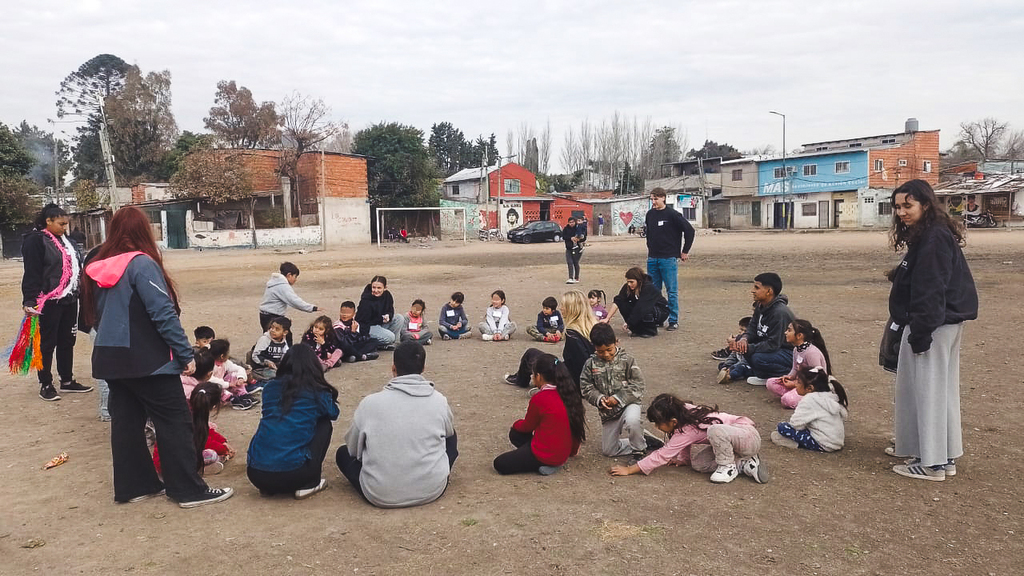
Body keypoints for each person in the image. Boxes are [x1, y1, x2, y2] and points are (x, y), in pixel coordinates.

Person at [81, 205, 231, 508]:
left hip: (110, 358)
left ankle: (135, 486)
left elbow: (90, 316)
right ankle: (187, 490)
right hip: (148, 360)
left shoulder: (95, 265)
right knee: (175, 421)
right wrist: (184, 353)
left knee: (125, 423)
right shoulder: (142, 264)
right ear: (143, 231)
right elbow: (163, 314)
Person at [887, 179, 977, 481]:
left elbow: (931, 288)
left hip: (934, 324)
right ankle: (943, 455)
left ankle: (933, 463)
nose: (901, 212)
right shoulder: (930, 236)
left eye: (907, 205)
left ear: (925, 204)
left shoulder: (934, 238)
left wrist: (921, 333)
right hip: (942, 322)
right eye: (897, 206)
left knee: (929, 391)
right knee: (939, 391)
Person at [336, 341, 458, 508]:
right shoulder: (439, 401)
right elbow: (448, 438)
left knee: (342, 453)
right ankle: (431, 472)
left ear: (393, 368)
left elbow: (352, 450)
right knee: (450, 435)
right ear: (423, 369)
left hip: (380, 493)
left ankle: (389, 477)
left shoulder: (370, 404)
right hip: (431, 488)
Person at [610, 393, 769, 485]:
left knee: (715, 430)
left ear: (673, 421)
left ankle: (728, 467)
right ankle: (744, 463)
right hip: (733, 442)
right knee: (699, 465)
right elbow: (682, 440)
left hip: (748, 436)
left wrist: (630, 469)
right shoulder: (682, 414)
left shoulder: (686, 429)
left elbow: (662, 455)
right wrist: (684, 458)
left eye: (659, 424)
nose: (657, 428)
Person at [246, 344, 340, 500]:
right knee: (324, 424)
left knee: (273, 422)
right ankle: (311, 482)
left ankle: (269, 486)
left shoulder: (270, 388)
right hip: (294, 473)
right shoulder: (316, 390)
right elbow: (333, 413)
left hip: (256, 474)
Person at [20, 203, 92, 401]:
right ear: (48, 221)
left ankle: (67, 381)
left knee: (67, 340)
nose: (64, 228)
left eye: (66, 224)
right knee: (46, 344)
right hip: (48, 301)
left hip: (69, 299)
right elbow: (32, 273)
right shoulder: (36, 241)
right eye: (61, 224)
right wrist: (30, 299)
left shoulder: (66, 241)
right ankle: (46, 383)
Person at [493, 354, 586, 475]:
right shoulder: (569, 393)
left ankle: (547, 463)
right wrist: (572, 450)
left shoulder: (540, 398)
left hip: (545, 453)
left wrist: (516, 424)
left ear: (539, 376)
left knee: (500, 462)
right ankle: (550, 461)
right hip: (563, 452)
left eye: (533, 375)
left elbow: (527, 426)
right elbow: (575, 426)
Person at [580, 323, 653, 460]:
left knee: (632, 421)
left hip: (629, 404)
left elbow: (638, 384)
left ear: (616, 342)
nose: (606, 354)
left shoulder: (628, 360)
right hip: (609, 413)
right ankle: (645, 440)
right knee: (609, 451)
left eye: (609, 349)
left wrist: (618, 398)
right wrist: (599, 399)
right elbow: (585, 386)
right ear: (594, 347)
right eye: (601, 351)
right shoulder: (590, 364)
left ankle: (639, 451)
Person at [155, 370, 235, 478]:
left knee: (208, 451)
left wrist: (222, 441)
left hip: (165, 460)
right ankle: (198, 468)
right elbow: (204, 440)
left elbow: (206, 430)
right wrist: (223, 449)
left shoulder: (189, 412)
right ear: (213, 406)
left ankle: (199, 466)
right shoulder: (188, 419)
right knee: (211, 454)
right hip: (169, 465)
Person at [722, 273, 795, 385]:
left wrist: (748, 348)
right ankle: (751, 368)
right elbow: (752, 327)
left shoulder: (780, 313)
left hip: (787, 353)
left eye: (757, 287)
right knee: (741, 341)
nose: (752, 291)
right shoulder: (761, 306)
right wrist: (743, 340)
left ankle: (776, 376)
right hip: (771, 347)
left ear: (769, 291)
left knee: (758, 358)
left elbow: (773, 344)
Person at [644, 187, 695, 331]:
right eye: (652, 199)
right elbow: (649, 234)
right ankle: (658, 317)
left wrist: (684, 251)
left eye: (656, 199)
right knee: (654, 290)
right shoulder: (650, 214)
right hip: (653, 258)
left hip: (668, 258)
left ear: (663, 198)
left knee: (671, 290)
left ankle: (673, 320)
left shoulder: (673, 214)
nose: (653, 202)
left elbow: (690, 231)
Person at [772, 367, 848, 453]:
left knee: (782, 427)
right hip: (836, 442)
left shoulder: (810, 400)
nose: (795, 384)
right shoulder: (830, 395)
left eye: (799, 382)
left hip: (824, 443)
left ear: (809, 388)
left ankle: (797, 444)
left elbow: (795, 424)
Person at [764, 320, 832, 409]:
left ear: (799, 335)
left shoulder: (811, 353)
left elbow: (816, 378)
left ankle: (803, 398)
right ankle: (795, 395)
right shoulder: (796, 349)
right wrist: (789, 377)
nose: (785, 333)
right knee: (770, 382)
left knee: (787, 401)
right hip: (800, 384)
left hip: (811, 389)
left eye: (789, 330)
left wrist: (794, 384)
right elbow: (795, 369)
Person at [258, 262, 319, 346]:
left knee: (271, 337)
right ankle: (287, 356)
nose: (295, 280)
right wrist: (312, 308)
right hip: (272, 316)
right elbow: (294, 301)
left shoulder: (274, 282)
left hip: (265, 315)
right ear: (289, 275)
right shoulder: (282, 286)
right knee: (282, 336)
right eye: (295, 277)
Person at [604, 266, 669, 338]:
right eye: (628, 281)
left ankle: (650, 330)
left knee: (644, 308)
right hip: (643, 308)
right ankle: (636, 330)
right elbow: (618, 301)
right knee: (623, 304)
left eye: (631, 282)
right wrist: (607, 318)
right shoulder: (627, 287)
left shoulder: (648, 288)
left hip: (660, 310)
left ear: (639, 281)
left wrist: (629, 322)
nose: (629, 284)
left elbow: (641, 307)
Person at [560, 290, 597, 392]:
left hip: (576, 381)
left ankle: (520, 379)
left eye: (563, 305)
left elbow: (580, 365)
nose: (560, 308)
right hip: (594, 376)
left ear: (571, 309)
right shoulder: (593, 326)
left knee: (532, 355)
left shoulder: (572, 334)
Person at [356, 275, 405, 349]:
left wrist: (389, 316)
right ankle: (381, 344)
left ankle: (394, 343)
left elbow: (390, 310)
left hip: (381, 323)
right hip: (368, 327)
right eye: (374, 287)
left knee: (399, 318)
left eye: (379, 288)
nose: (376, 290)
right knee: (390, 337)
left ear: (385, 288)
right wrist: (381, 319)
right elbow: (364, 322)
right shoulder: (366, 301)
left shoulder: (387, 295)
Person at [251, 317, 291, 381]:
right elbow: (255, 356)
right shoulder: (265, 339)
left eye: (277, 329)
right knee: (275, 375)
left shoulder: (284, 341)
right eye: (272, 327)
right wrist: (266, 362)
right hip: (262, 368)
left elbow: (285, 355)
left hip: (276, 367)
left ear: (285, 333)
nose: (273, 330)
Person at [563, 217, 584, 284]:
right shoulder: (566, 229)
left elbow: (583, 237)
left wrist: (578, 239)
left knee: (575, 262)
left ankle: (576, 277)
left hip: (577, 248)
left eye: (572, 222)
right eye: (570, 222)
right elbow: (564, 236)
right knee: (569, 262)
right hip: (569, 248)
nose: (571, 223)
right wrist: (570, 238)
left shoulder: (578, 228)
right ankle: (570, 277)